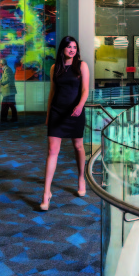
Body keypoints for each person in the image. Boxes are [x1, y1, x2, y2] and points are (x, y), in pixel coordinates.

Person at [40, 36, 90, 211]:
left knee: (78, 146)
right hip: (57, 112)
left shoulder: (81, 66)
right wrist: (48, 115)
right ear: (62, 49)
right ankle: (46, 193)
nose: (72, 50)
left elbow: (85, 89)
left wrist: (80, 106)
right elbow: (52, 92)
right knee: (52, 151)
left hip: (75, 111)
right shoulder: (55, 67)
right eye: (69, 47)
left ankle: (81, 178)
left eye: (74, 47)